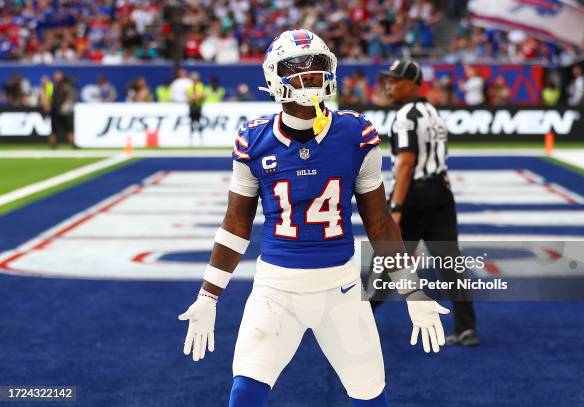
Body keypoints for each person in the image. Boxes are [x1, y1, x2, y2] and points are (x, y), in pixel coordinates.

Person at [178, 29, 450, 407]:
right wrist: (209, 294)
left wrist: (411, 288)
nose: (311, 78)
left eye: (317, 67)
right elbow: (237, 225)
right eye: (298, 69)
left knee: (371, 395)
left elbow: (379, 222)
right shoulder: (254, 139)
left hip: (341, 290)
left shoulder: (356, 133)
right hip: (276, 290)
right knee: (244, 396)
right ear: (275, 76)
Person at [368, 59, 479, 347]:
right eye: (387, 80)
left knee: (389, 261)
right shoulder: (432, 111)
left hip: (414, 195)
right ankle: (467, 328)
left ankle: (359, 320)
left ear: (414, 83)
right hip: (441, 192)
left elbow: (405, 163)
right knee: (451, 262)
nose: (389, 85)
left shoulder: (406, 115)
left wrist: (396, 208)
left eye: (395, 80)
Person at [48, 71, 76, 149]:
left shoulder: (65, 85)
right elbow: (48, 97)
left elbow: (71, 96)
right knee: (53, 128)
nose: (57, 77)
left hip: (64, 111)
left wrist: (68, 103)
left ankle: (73, 143)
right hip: (54, 110)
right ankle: (52, 145)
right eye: (56, 76)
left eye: (59, 76)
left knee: (68, 127)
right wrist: (48, 105)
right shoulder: (50, 85)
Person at [186, 71, 206, 145]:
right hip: (192, 106)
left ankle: (200, 138)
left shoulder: (200, 85)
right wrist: (195, 96)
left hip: (198, 106)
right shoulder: (189, 86)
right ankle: (191, 138)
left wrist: (194, 97)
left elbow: (202, 95)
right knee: (191, 122)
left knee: (199, 122)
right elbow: (188, 96)